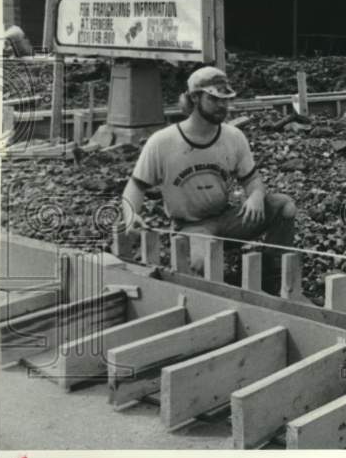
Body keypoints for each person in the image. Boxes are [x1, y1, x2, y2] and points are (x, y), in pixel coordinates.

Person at [120, 66, 297, 294]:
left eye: (226, 99)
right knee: (205, 266)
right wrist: (131, 213)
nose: (223, 106)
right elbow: (135, 186)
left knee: (285, 206)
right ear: (195, 98)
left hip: (228, 219)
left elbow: (252, 179)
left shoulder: (233, 137)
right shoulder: (163, 142)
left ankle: (272, 277)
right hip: (191, 226)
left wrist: (255, 195)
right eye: (214, 99)